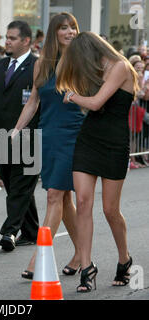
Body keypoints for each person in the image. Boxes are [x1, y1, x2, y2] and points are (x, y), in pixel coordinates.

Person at [56, 31, 139, 292]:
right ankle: (87, 267)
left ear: (90, 51)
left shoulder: (120, 66)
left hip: (114, 143)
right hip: (88, 140)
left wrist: (72, 96)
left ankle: (125, 260)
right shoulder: (91, 72)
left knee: (110, 210)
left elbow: (95, 103)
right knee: (82, 201)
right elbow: (85, 102)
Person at [12, 12, 84, 279]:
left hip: (73, 134)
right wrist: (16, 130)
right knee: (63, 198)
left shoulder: (81, 60)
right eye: (64, 28)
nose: (70, 32)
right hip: (48, 134)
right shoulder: (42, 63)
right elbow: (33, 101)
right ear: (54, 32)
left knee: (54, 195)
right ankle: (80, 253)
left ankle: (38, 258)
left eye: (73, 28)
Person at [0, 20, 40, 251]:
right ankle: (31, 231)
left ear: (26, 41)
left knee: (22, 186)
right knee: (13, 187)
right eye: (7, 37)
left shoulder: (38, 66)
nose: (7, 41)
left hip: (29, 138)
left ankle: (9, 231)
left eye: (12, 38)